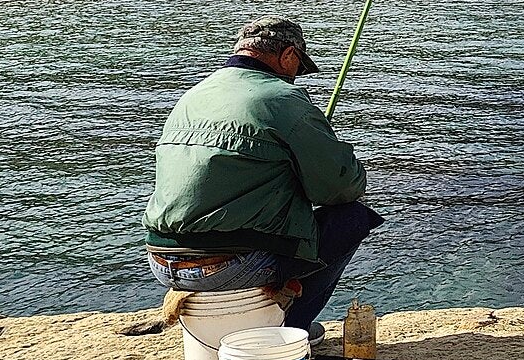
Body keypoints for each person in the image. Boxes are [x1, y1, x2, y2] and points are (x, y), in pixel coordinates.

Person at [144, 17, 382, 336]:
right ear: (288, 56)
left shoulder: (194, 95)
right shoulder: (283, 98)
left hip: (161, 259)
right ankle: (290, 331)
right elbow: (341, 188)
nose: (295, 78)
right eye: (298, 68)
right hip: (225, 265)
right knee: (351, 219)